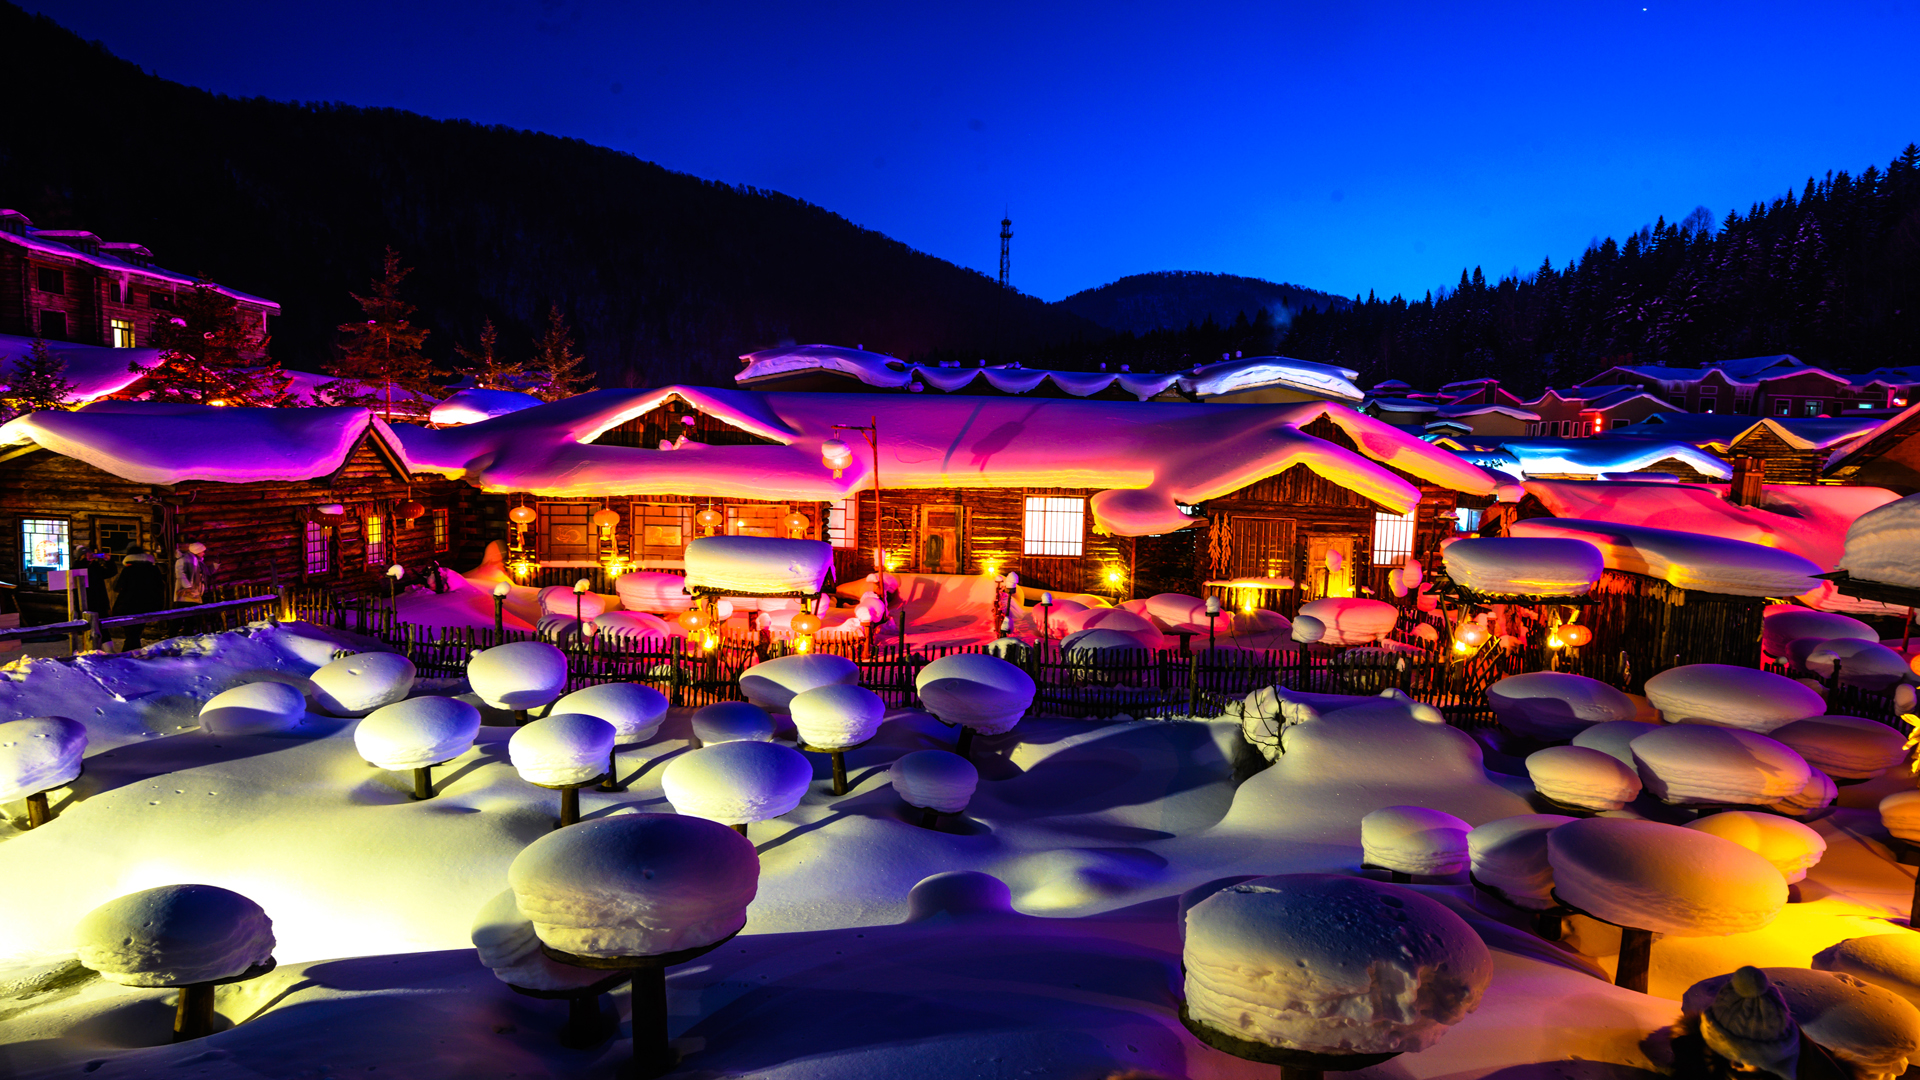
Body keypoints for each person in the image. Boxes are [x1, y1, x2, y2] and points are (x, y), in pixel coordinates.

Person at [111, 543, 166, 651]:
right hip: (148, 604)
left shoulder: (128, 570)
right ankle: (133, 650)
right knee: (137, 630)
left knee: (130, 632)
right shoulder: (153, 569)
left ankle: (129, 652)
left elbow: (117, 587)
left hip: (129, 604)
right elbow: (160, 587)